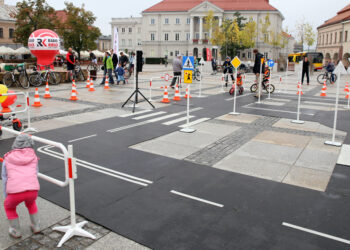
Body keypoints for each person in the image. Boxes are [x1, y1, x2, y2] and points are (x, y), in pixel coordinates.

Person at [2, 134, 40, 238]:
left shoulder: (8, 157)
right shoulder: (34, 156)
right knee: (31, 203)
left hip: (14, 192)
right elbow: (35, 173)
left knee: (9, 207)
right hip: (32, 190)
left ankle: (16, 231)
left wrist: (6, 195)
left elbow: (5, 178)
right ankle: (36, 226)